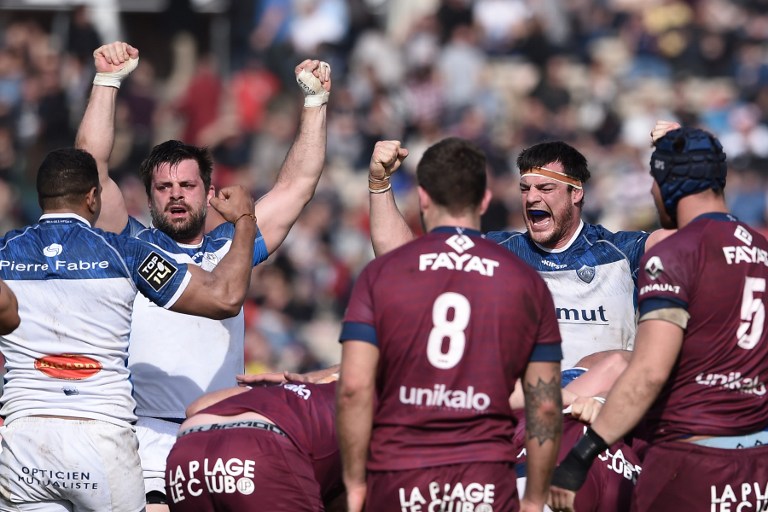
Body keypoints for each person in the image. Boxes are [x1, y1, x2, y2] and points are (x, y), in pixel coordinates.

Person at [75, 41, 331, 508]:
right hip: (147, 439)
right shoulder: (127, 246)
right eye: (164, 187)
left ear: (209, 192)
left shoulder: (233, 248)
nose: (176, 195)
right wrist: (106, 82)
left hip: (223, 438)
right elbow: (87, 169)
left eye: (187, 186)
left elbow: (298, 185)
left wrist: (314, 103)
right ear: (149, 196)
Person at [0, 147, 257, 511]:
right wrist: (245, 219)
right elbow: (225, 298)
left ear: (41, 197)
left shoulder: (4, 252)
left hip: (24, 440)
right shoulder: (127, 253)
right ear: (93, 197)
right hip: (102, 439)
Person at [337, 137, 563, 512]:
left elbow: (354, 389)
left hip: (399, 475)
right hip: (485, 479)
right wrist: (535, 499)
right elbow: (545, 406)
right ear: (485, 199)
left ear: (423, 198)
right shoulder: (524, 281)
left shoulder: (383, 274)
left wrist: (355, 483)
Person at [549, 127, 768, 511]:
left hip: (691, 464)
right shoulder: (762, 249)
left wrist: (582, 454)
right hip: (757, 467)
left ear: (669, 184)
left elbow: (648, 373)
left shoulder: (676, 254)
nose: (651, 192)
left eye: (654, 180)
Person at [368, 137, 673, 368]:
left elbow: (693, 244)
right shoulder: (498, 253)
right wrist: (379, 184)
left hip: (601, 427)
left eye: (546, 189)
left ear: (576, 192)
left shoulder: (621, 252)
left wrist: (678, 161)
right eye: (526, 189)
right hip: (521, 423)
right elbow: (403, 265)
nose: (532, 198)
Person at [165, 378, 343, 512]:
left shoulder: (290, 389)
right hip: (260, 450)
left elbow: (195, 408)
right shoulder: (360, 400)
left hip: (189, 447)